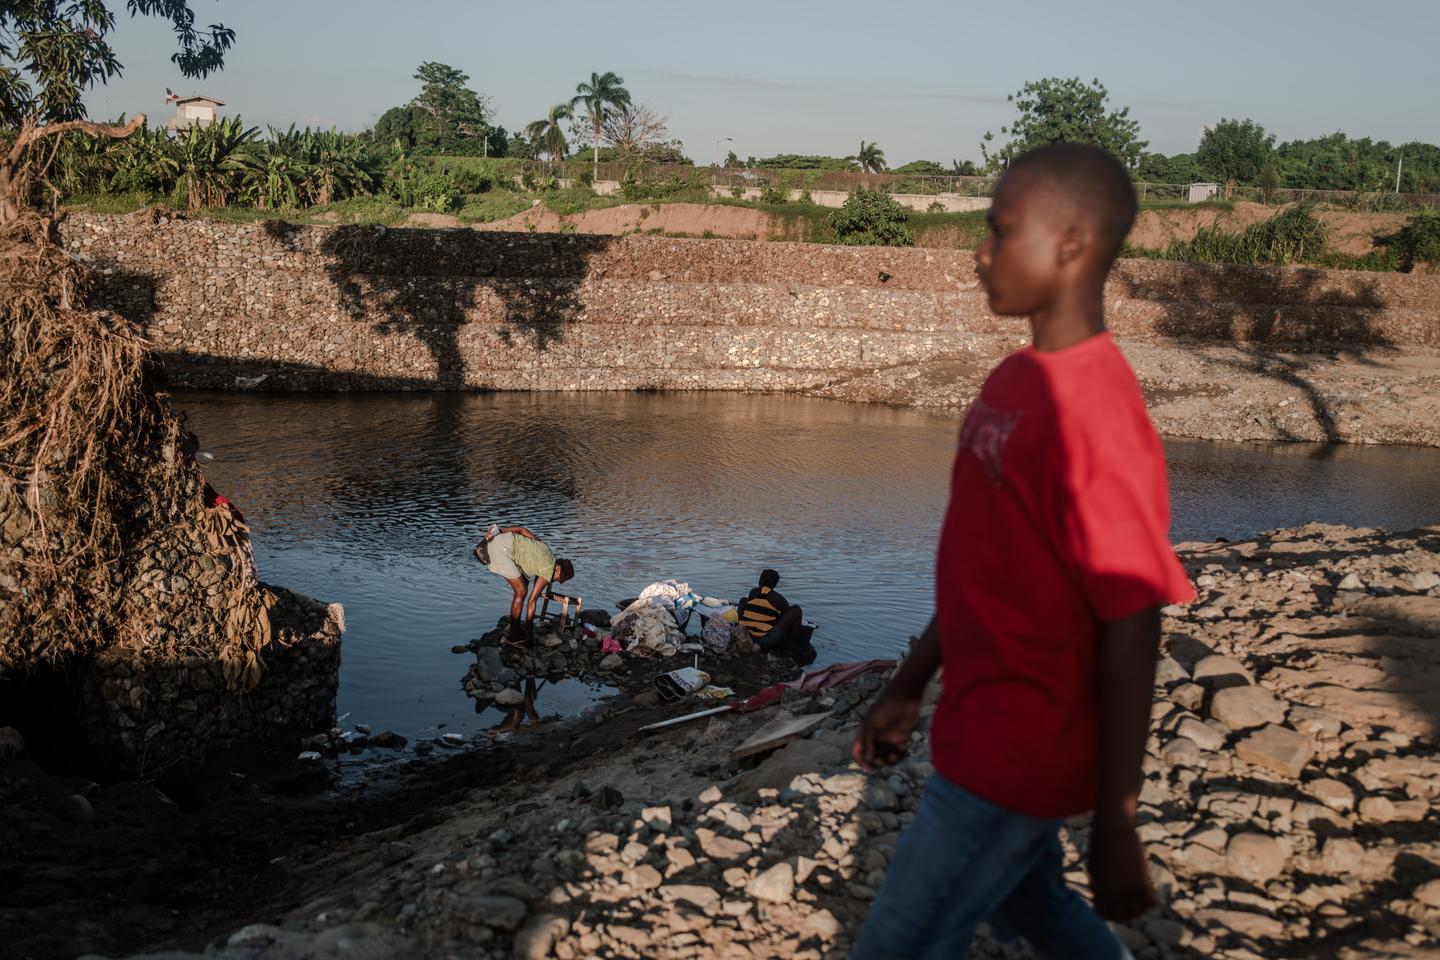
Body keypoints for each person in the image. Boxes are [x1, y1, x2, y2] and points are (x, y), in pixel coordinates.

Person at [849, 143, 1196, 960]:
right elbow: (982, 566)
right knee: (1032, 908)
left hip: (1020, 752)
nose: (979, 252)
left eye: (1000, 231)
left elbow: (1132, 620)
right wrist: (908, 686)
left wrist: (1116, 821)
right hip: (973, 724)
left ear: (1071, 244)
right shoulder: (1012, 382)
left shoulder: (1097, 417)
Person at [477, 524, 575, 643]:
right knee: (521, 591)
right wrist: (529, 634)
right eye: (559, 579)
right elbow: (532, 601)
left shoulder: (545, 548)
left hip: (496, 539)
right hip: (501, 551)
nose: (556, 581)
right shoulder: (549, 570)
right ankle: (514, 634)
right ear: (558, 569)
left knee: (524, 583)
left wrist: (499, 531)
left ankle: (516, 628)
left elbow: (521, 529)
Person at [737, 568, 805, 650]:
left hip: (747, 634)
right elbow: (786, 615)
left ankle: (739, 627)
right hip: (765, 640)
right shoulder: (778, 598)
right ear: (776, 584)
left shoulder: (753, 592)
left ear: (760, 580)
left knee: (743, 600)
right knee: (796, 610)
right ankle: (791, 643)